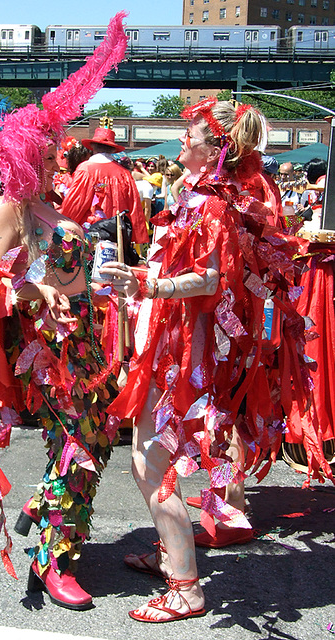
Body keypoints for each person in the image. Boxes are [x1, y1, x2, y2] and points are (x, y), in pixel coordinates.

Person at [100, 98, 315, 622]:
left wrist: (151, 282)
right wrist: (144, 284)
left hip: (184, 351)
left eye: (188, 135)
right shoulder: (191, 195)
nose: (180, 141)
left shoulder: (214, 204)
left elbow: (213, 280)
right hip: (168, 342)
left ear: (215, 147)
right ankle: (172, 553)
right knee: (144, 454)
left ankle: (187, 587)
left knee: (151, 462)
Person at [0, 11, 128, 611]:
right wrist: (38, 293)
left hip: (84, 338)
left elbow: (68, 269)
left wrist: (106, 286)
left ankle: (42, 507)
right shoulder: (6, 209)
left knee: (100, 436)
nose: (63, 150)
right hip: (44, 350)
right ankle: (52, 558)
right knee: (79, 442)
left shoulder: (50, 203)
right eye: (52, 144)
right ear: (28, 148)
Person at [61, 127, 148, 244]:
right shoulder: (124, 173)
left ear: (93, 147)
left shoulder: (86, 169)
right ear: (113, 150)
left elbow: (75, 204)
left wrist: (64, 225)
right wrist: (136, 236)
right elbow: (134, 207)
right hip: (117, 234)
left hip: (91, 233)